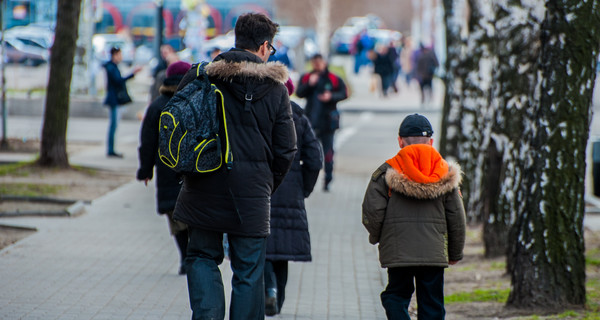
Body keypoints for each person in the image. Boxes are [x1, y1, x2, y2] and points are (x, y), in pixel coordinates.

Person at [173, 13, 297, 320]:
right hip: (252, 193)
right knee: (249, 270)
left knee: (201, 255)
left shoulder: (202, 76)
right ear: (265, 46)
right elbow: (286, 150)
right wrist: (266, 185)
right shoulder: (277, 91)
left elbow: (177, 128)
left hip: (202, 186)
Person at [361, 114, 466, 320]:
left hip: (399, 251)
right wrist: (454, 252)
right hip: (434, 253)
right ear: (431, 142)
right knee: (432, 303)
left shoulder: (385, 173)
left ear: (400, 140)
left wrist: (378, 237)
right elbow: (457, 217)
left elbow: (372, 212)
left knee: (395, 295)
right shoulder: (446, 172)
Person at [264, 79, 323, 316]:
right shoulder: (299, 117)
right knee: (283, 253)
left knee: (263, 245)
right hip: (290, 189)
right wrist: (304, 188)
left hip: (261, 187)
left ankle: (269, 290)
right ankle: (277, 298)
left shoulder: (259, 112)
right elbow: (315, 158)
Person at [137, 61, 192, 276]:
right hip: (194, 170)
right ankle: (192, 257)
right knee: (192, 216)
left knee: (175, 216)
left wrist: (145, 170)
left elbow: (147, 141)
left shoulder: (158, 105)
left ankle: (185, 258)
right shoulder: (195, 102)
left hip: (167, 169)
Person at [296, 53, 348, 191]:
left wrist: (331, 96)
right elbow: (299, 92)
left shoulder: (333, 78)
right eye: (315, 62)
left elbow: (344, 93)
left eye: (320, 62)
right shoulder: (307, 77)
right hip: (310, 121)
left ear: (324, 62)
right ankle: (305, 179)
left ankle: (328, 179)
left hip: (328, 121)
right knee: (307, 152)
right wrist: (309, 84)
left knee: (328, 152)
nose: (317, 65)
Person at [103, 46, 142, 158]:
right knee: (113, 125)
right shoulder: (111, 67)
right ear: (115, 55)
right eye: (119, 54)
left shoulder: (112, 67)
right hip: (114, 100)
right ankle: (110, 150)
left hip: (115, 99)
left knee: (114, 125)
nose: (121, 57)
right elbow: (118, 81)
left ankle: (111, 149)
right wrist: (133, 73)